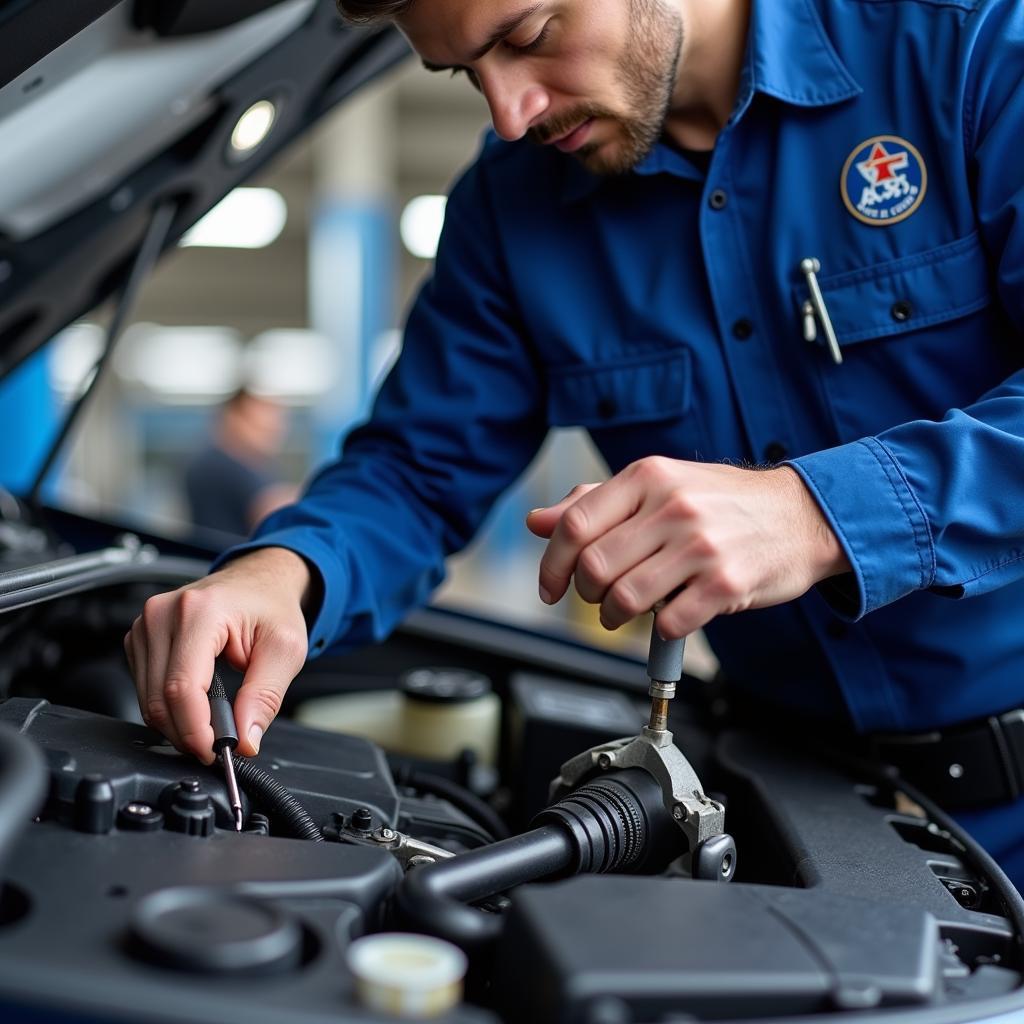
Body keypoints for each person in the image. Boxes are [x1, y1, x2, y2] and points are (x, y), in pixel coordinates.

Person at [124, 0, 1024, 884]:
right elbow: (415, 472)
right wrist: (284, 572)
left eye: (526, 37)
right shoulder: (512, 207)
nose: (510, 113)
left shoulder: (969, 49)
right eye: (464, 74)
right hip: (805, 817)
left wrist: (813, 514)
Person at [184, 389, 298, 538]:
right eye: (260, 426)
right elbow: (271, 512)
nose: (275, 430)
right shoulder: (216, 463)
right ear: (234, 418)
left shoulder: (262, 466)